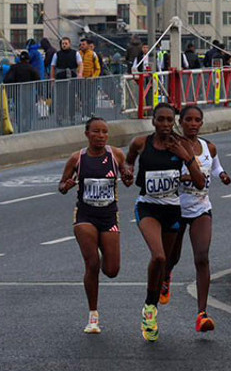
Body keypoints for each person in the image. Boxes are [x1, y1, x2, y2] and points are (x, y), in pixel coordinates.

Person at [122, 103, 207, 343]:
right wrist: (127, 172)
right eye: (162, 120)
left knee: (168, 261)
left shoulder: (181, 145)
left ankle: (158, 291)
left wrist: (187, 158)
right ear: (153, 121)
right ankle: (150, 308)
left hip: (172, 209)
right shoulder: (141, 143)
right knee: (158, 256)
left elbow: (200, 183)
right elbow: (128, 163)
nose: (166, 125)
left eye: (170, 120)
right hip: (148, 206)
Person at [161, 105, 231, 333]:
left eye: (196, 120)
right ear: (181, 122)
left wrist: (222, 175)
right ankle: (165, 276)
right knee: (173, 256)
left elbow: (216, 166)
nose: (192, 124)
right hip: (176, 208)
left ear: (202, 123)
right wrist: (186, 175)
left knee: (202, 257)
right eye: (188, 120)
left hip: (201, 207)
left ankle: (202, 313)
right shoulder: (174, 146)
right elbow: (166, 172)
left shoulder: (208, 147)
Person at [58, 117, 127, 334]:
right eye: (96, 132)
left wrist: (127, 176)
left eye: (104, 132)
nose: (100, 136)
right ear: (87, 134)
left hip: (109, 216)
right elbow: (61, 185)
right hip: (85, 216)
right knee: (92, 263)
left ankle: (106, 251)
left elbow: (127, 177)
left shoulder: (116, 155)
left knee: (112, 270)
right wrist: (66, 185)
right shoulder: (77, 158)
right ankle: (93, 316)